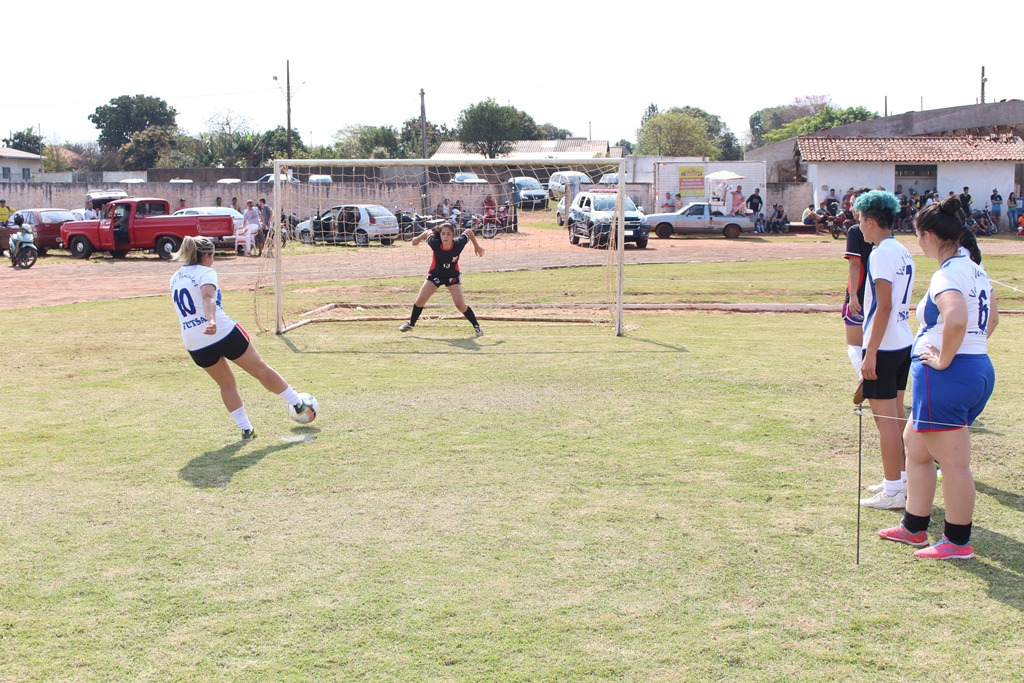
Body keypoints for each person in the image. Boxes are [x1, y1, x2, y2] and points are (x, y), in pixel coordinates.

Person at [878, 197, 997, 559]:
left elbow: (957, 318)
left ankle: (957, 542)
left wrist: (945, 359)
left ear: (928, 235)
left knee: (955, 463)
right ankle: (914, 527)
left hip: (946, 376)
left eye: (916, 235)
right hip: (975, 368)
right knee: (915, 446)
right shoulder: (974, 268)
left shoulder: (948, 274)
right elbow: (990, 320)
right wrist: (966, 353)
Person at [169, 235, 315, 440]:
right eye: (213, 257)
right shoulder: (206, 271)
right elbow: (208, 297)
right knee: (259, 368)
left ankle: (246, 428)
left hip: (194, 341)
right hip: (222, 331)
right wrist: (211, 321)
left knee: (226, 384)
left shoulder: (175, 278)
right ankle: (296, 402)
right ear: (207, 256)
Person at [856, 190, 915, 510]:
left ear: (872, 221)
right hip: (903, 340)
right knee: (896, 414)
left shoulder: (880, 253)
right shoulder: (903, 250)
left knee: (885, 420)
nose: (860, 228)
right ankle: (902, 478)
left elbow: (884, 305)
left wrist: (871, 352)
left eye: (861, 222)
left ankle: (894, 490)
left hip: (887, 344)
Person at [399, 222, 486, 337]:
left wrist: (477, 246)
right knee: (420, 301)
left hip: (452, 276)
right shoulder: (434, 243)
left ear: (453, 235)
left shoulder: (459, 244)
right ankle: (411, 324)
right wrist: (418, 238)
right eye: (443, 233)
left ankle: (477, 327)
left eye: (449, 234)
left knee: (460, 305)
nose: (445, 236)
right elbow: (428, 232)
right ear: (440, 235)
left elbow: (469, 232)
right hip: (435, 275)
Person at [842, 188, 873, 402]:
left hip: (859, 293)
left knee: (854, 344)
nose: (850, 207)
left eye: (853, 203)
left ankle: (864, 376)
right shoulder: (886, 232)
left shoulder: (855, 230)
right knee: (873, 341)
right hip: (880, 294)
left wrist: (853, 295)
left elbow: (855, 263)